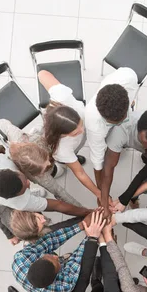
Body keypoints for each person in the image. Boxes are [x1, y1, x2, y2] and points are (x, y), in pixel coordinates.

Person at [37, 70, 103, 201]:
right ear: (62, 135)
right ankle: (62, 166)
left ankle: (76, 154)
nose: (82, 130)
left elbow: (42, 74)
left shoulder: (61, 97)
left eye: (81, 124)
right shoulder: (61, 149)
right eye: (76, 133)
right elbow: (80, 173)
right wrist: (98, 193)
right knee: (70, 160)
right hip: (69, 151)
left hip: (74, 146)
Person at [11, 211, 106, 292]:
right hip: (61, 280)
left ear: (38, 258)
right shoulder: (61, 288)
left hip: (35, 265)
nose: (55, 256)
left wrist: (80, 225)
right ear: (57, 275)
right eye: (57, 263)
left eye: (50, 256)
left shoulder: (22, 257)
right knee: (77, 264)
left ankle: (61, 260)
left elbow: (50, 241)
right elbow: (76, 261)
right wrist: (92, 237)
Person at [0, 143, 87, 217]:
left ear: (12, 170)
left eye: (25, 180)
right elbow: (58, 205)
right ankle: (33, 195)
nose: (29, 183)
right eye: (26, 187)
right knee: (32, 197)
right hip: (24, 199)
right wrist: (88, 212)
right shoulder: (20, 202)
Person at [84, 67, 139, 185]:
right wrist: (100, 189)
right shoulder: (94, 125)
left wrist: (132, 101)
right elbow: (97, 159)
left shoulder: (129, 76)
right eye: (116, 123)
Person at [0, 206, 82, 244]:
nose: (44, 219)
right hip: (31, 232)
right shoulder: (29, 233)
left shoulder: (4, 208)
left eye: (39, 219)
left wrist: (9, 236)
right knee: (55, 230)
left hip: (27, 205)